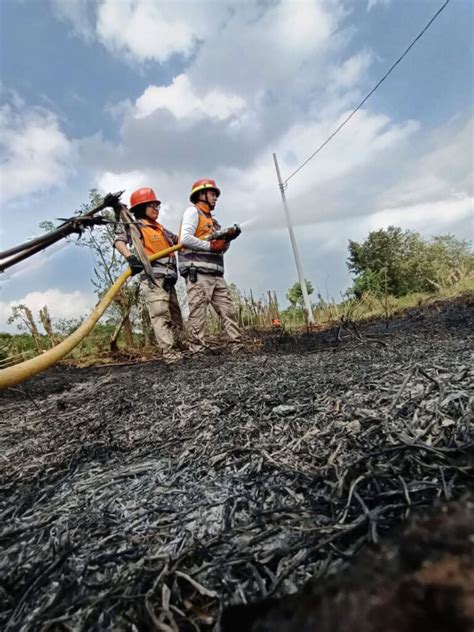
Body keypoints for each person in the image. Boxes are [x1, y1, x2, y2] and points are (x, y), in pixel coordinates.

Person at [114, 187, 183, 361]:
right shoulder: (135, 227)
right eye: (152, 206)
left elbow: (180, 241)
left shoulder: (160, 229)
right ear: (140, 208)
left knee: (175, 317)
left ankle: (181, 348)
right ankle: (171, 355)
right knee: (161, 315)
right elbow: (119, 242)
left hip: (168, 279)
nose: (156, 209)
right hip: (153, 279)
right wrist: (131, 258)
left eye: (157, 206)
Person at [179, 179, 241, 353]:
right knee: (198, 313)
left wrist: (227, 240)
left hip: (216, 274)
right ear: (201, 195)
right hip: (197, 272)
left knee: (228, 310)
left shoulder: (214, 223)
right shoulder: (193, 212)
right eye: (213, 194)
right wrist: (210, 245)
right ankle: (197, 351)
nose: (216, 198)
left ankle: (236, 345)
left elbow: (220, 250)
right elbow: (184, 238)